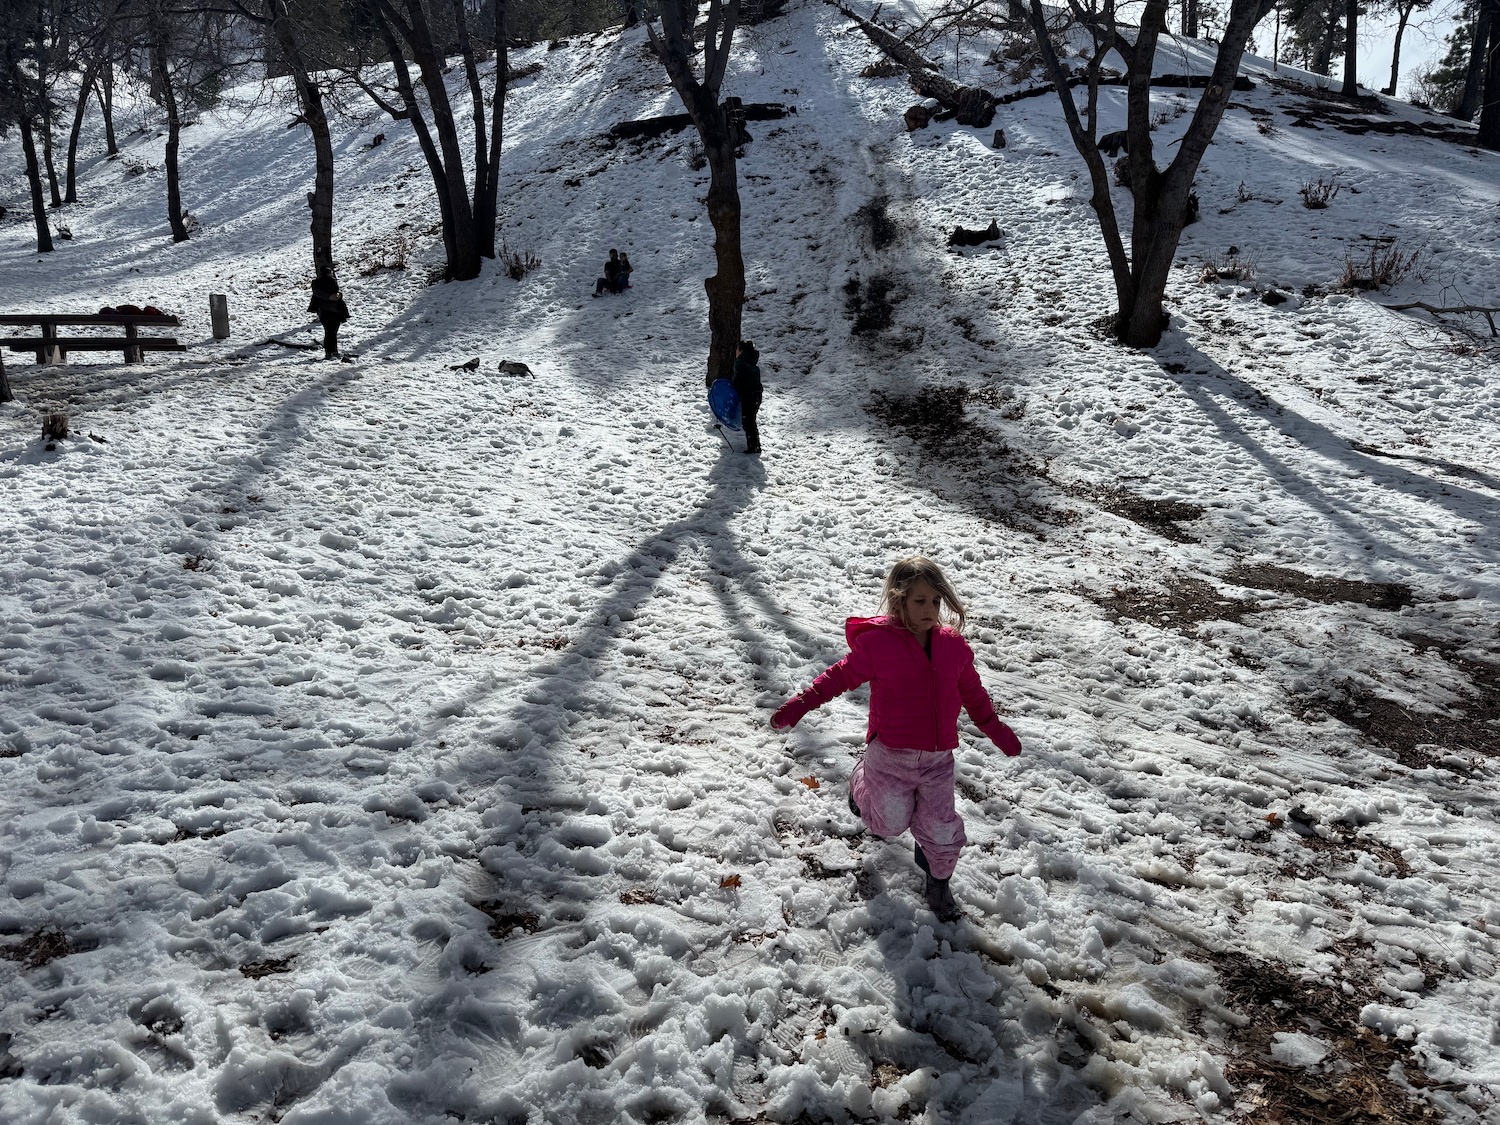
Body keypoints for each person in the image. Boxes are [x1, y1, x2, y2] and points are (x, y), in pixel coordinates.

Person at [771, 557, 1022, 921]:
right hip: (889, 758)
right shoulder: (878, 646)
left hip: (937, 762)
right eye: (920, 601)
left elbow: (974, 693)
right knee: (887, 824)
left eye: (936, 601)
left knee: (942, 830)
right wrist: (800, 705)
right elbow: (837, 677)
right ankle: (861, 782)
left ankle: (938, 883)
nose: (930, 610)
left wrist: (997, 730)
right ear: (898, 600)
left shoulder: (953, 647)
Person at [308, 266, 349, 358]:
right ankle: (331, 352)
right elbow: (320, 294)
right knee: (331, 332)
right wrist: (331, 297)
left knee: (331, 332)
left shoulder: (320, 282)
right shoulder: (321, 283)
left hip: (328, 310)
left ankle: (331, 352)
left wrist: (338, 295)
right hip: (330, 310)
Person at [732, 339, 762, 455]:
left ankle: (754, 447)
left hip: (748, 395)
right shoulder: (752, 362)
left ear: (741, 350)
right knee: (751, 420)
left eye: (737, 349)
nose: (735, 352)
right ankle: (755, 445)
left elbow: (738, 379)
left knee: (748, 421)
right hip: (757, 394)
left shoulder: (740, 362)